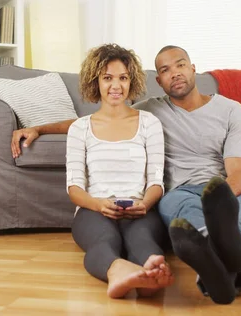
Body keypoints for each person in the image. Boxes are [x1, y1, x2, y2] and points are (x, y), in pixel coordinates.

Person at [10, 45, 241, 305]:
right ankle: (128, 269)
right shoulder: (125, 117)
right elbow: (95, 133)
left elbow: (230, 173)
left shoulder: (169, 117)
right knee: (117, 236)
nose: (175, 73)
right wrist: (38, 128)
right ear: (158, 81)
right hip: (141, 200)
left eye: (180, 65)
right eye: (165, 70)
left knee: (172, 234)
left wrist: (154, 203)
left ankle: (200, 271)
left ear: (193, 68)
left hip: (185, 198)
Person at [64, 43, 174, 299]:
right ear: (96, 82)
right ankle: (118, 271)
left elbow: (156, 182)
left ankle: (150, 273)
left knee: (144, 240)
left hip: (140, 209)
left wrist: (145, 204)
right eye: (107, 78)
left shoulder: (149, 123)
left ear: (131, 80)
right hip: (93, 210)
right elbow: (74, 188)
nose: (116, 85)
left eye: (123, 78)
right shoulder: (80, 128)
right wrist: (98, 204)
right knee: (104, 240)